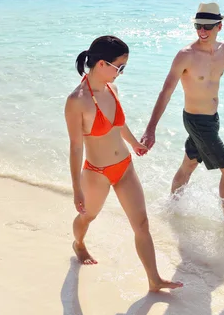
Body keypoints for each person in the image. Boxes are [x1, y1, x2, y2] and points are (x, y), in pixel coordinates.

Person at [64, 35, 182, 292]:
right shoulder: (77, 101)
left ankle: (154, 279)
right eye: (120, 67)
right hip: (97, 173)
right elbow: (75, 147)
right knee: (87, 217)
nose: (121, 73)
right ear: (103, 63)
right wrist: (77, 189)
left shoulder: (111, 89)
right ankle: (79, 243)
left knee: (141, 224)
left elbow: (118, 124)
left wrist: (134, 143)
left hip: (124, 167)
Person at [141, 2, 224, 224]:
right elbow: (166, 92)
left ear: (219, 27)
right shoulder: (186, 55)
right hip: (195, 121)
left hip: (212, 120)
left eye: (207, 26)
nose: (202, 31)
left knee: (189, 164)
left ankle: (170, 209)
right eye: (198, 26)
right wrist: (150, 129)